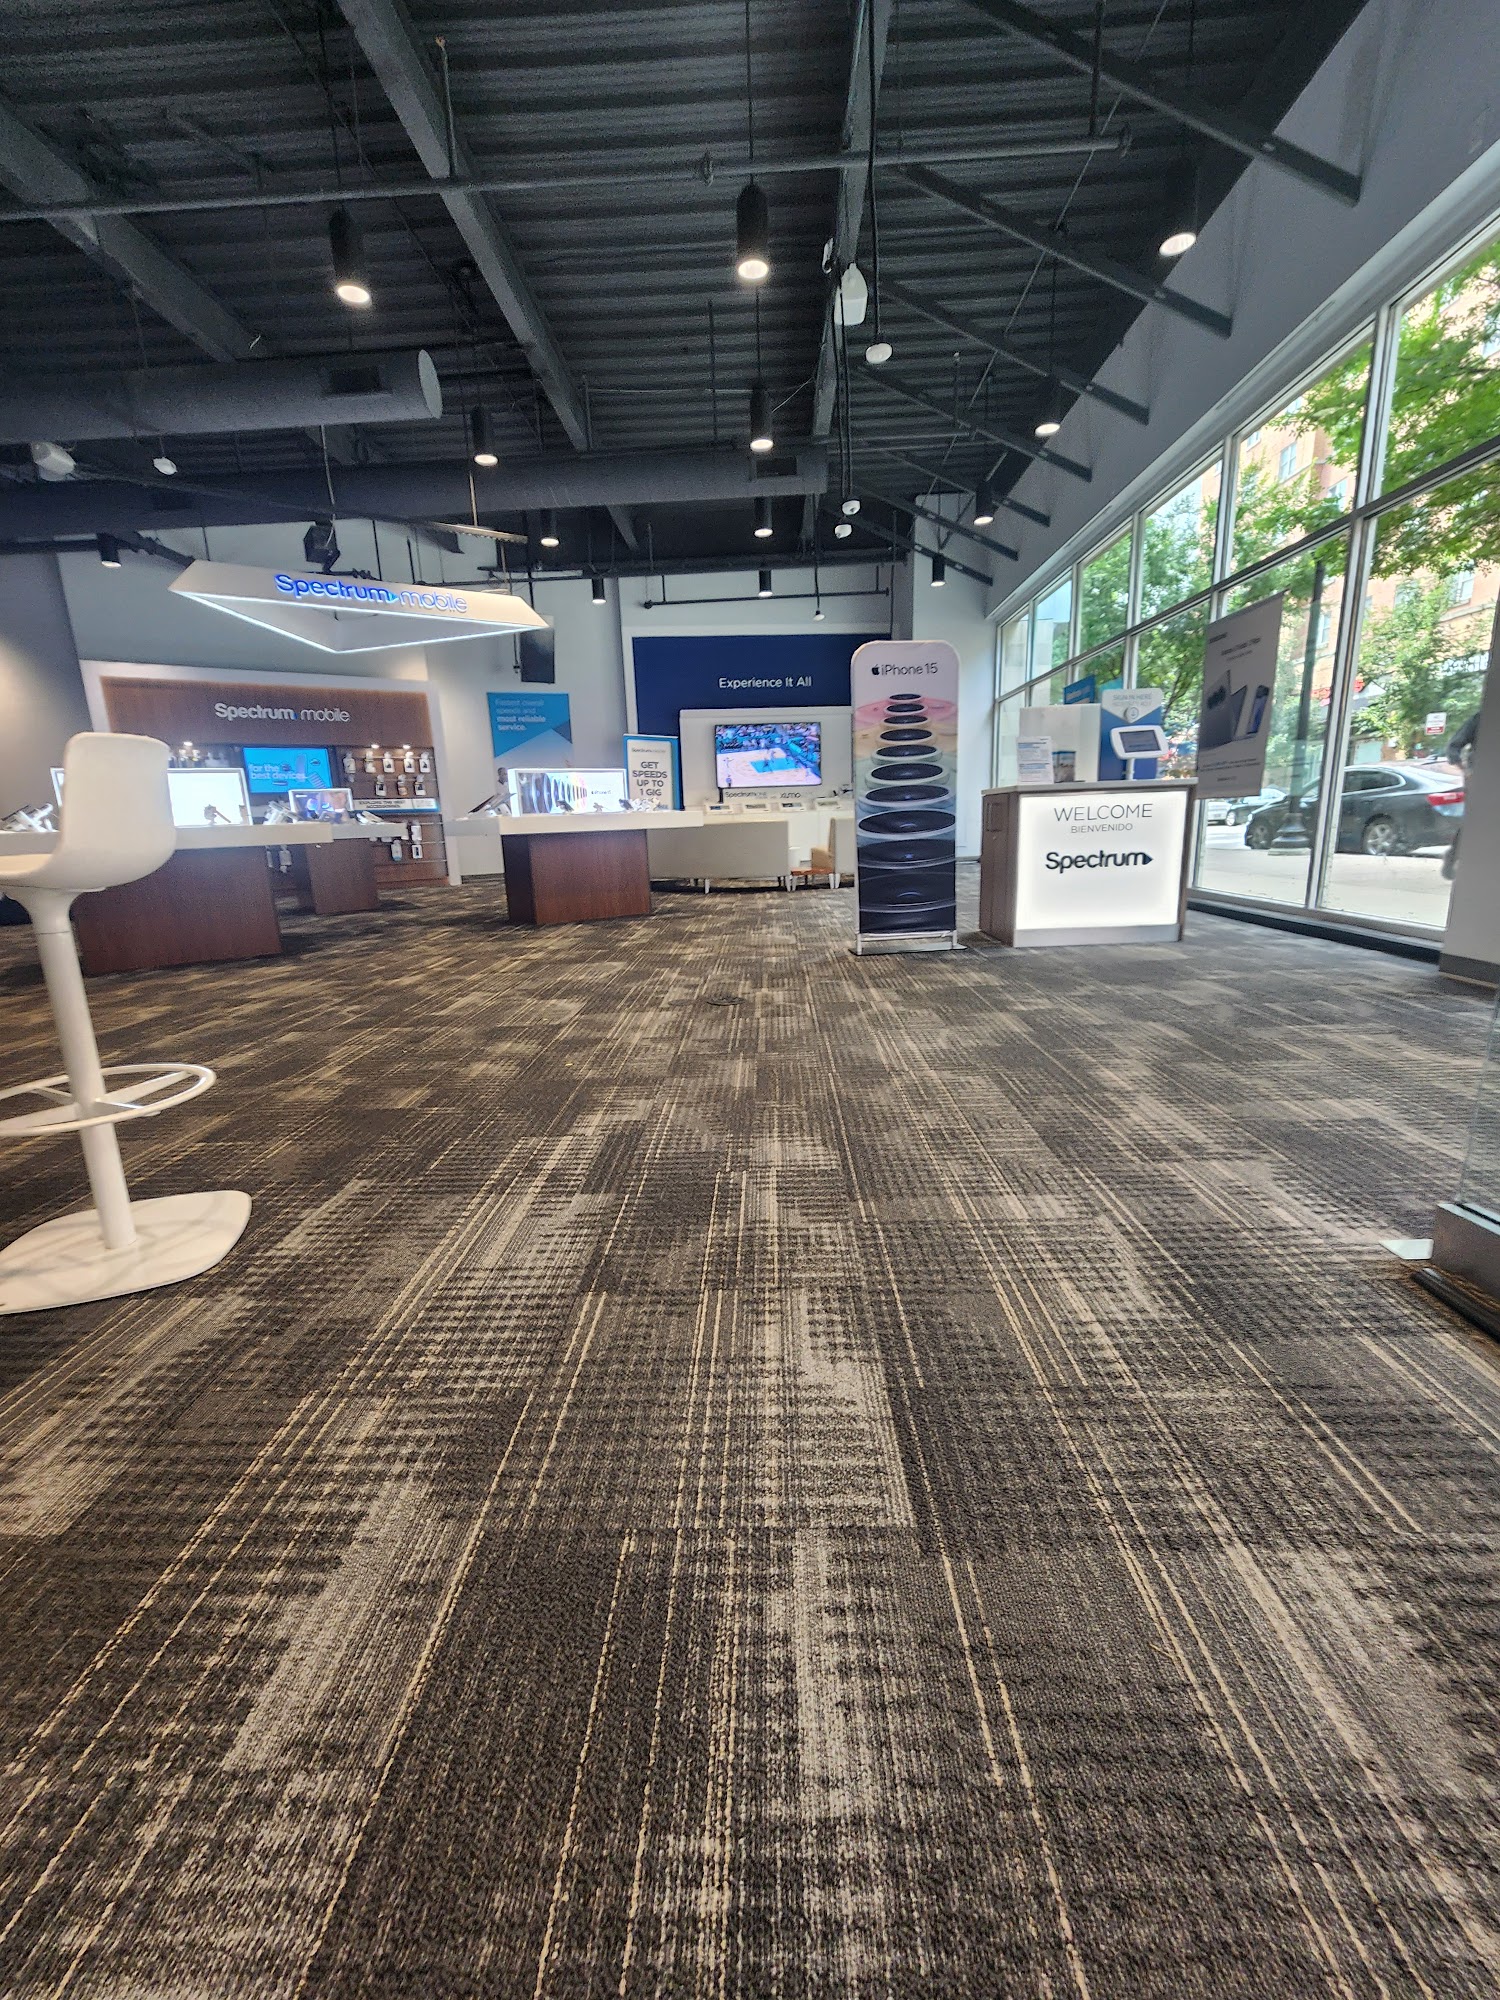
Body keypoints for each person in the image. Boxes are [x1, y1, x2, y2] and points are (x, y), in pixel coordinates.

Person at [1441, 710, 1478, 881]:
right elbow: (1453, 747)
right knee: (1474, 821)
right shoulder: (1481, 718)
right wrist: (1467, 771)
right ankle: (1453, 858)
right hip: (1479, 778)